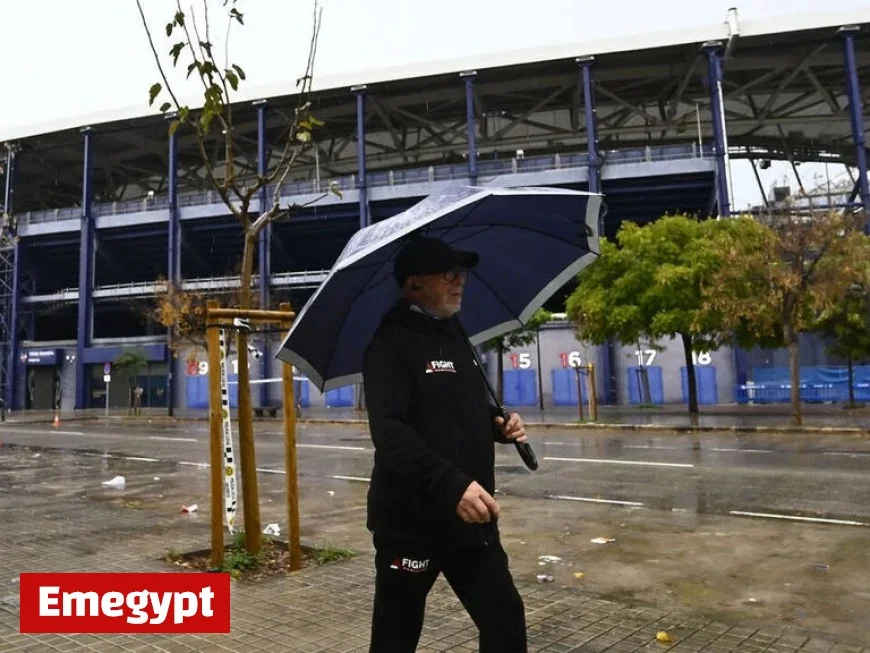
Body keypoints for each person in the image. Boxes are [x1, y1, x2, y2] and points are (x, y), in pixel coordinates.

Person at [362, 236, 528, 652]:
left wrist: (497, 425)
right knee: (395, 637)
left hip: (470, 520)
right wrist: (451, 485)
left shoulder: (455, 332)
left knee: (505, 619)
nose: (460, 281)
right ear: (414, 285)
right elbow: (391, 433)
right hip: (410, 524)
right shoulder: (389, 342)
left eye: (462, 273)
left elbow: (455, 410)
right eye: (448, 273)